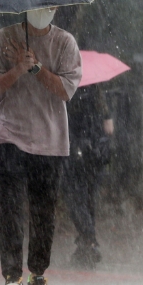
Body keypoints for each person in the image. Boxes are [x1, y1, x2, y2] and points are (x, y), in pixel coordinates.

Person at [0, 7, 81, 285]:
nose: (44, 12)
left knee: (44, 213)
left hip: (50, 141)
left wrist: (36, 68)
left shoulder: (65, 43)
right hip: (10, 136)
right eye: (38, 6)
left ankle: (37, 275)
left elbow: (65, 90)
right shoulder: (3, 39)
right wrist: (17, 69)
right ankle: (11, 277)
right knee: (10, 209)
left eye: (50, 6)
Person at [62, 83, 114, 270]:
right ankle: (86, 243)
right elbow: (109, 129)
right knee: (88, 198)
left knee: (76, 198)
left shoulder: (70, 94)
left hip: (77, 151)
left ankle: (89, 241)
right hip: (95, 153)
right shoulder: (98, 97)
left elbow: (68, 124)